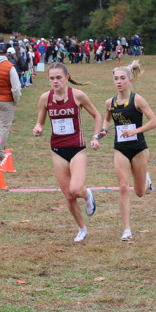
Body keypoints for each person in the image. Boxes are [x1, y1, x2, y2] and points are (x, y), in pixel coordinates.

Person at [32, 63, 102, 242]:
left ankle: (87, 194)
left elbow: (97, 115)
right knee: (69, 196)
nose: (55, 81)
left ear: (66, 78)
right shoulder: (45, 98)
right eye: (52, 78)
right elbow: (40, 122)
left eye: (58, 78)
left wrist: (96, 136)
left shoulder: (77, 95)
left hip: (77, 148)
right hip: (57, 150)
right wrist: (38, 128)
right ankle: (82, 228)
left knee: (76, 189)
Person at [99, 62, 156, 242]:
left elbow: (154, 121)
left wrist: (135, 131)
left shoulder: (137, 100)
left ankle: (146, 181)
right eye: (116, 78)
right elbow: (107, 120)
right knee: (124, 186)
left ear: (130, 80)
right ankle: (126, 229)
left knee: (140, 192)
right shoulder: (110, 102)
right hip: (120, 149)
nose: (119, 82)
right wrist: (103, 131)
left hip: (139, 148)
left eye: (122, 78)